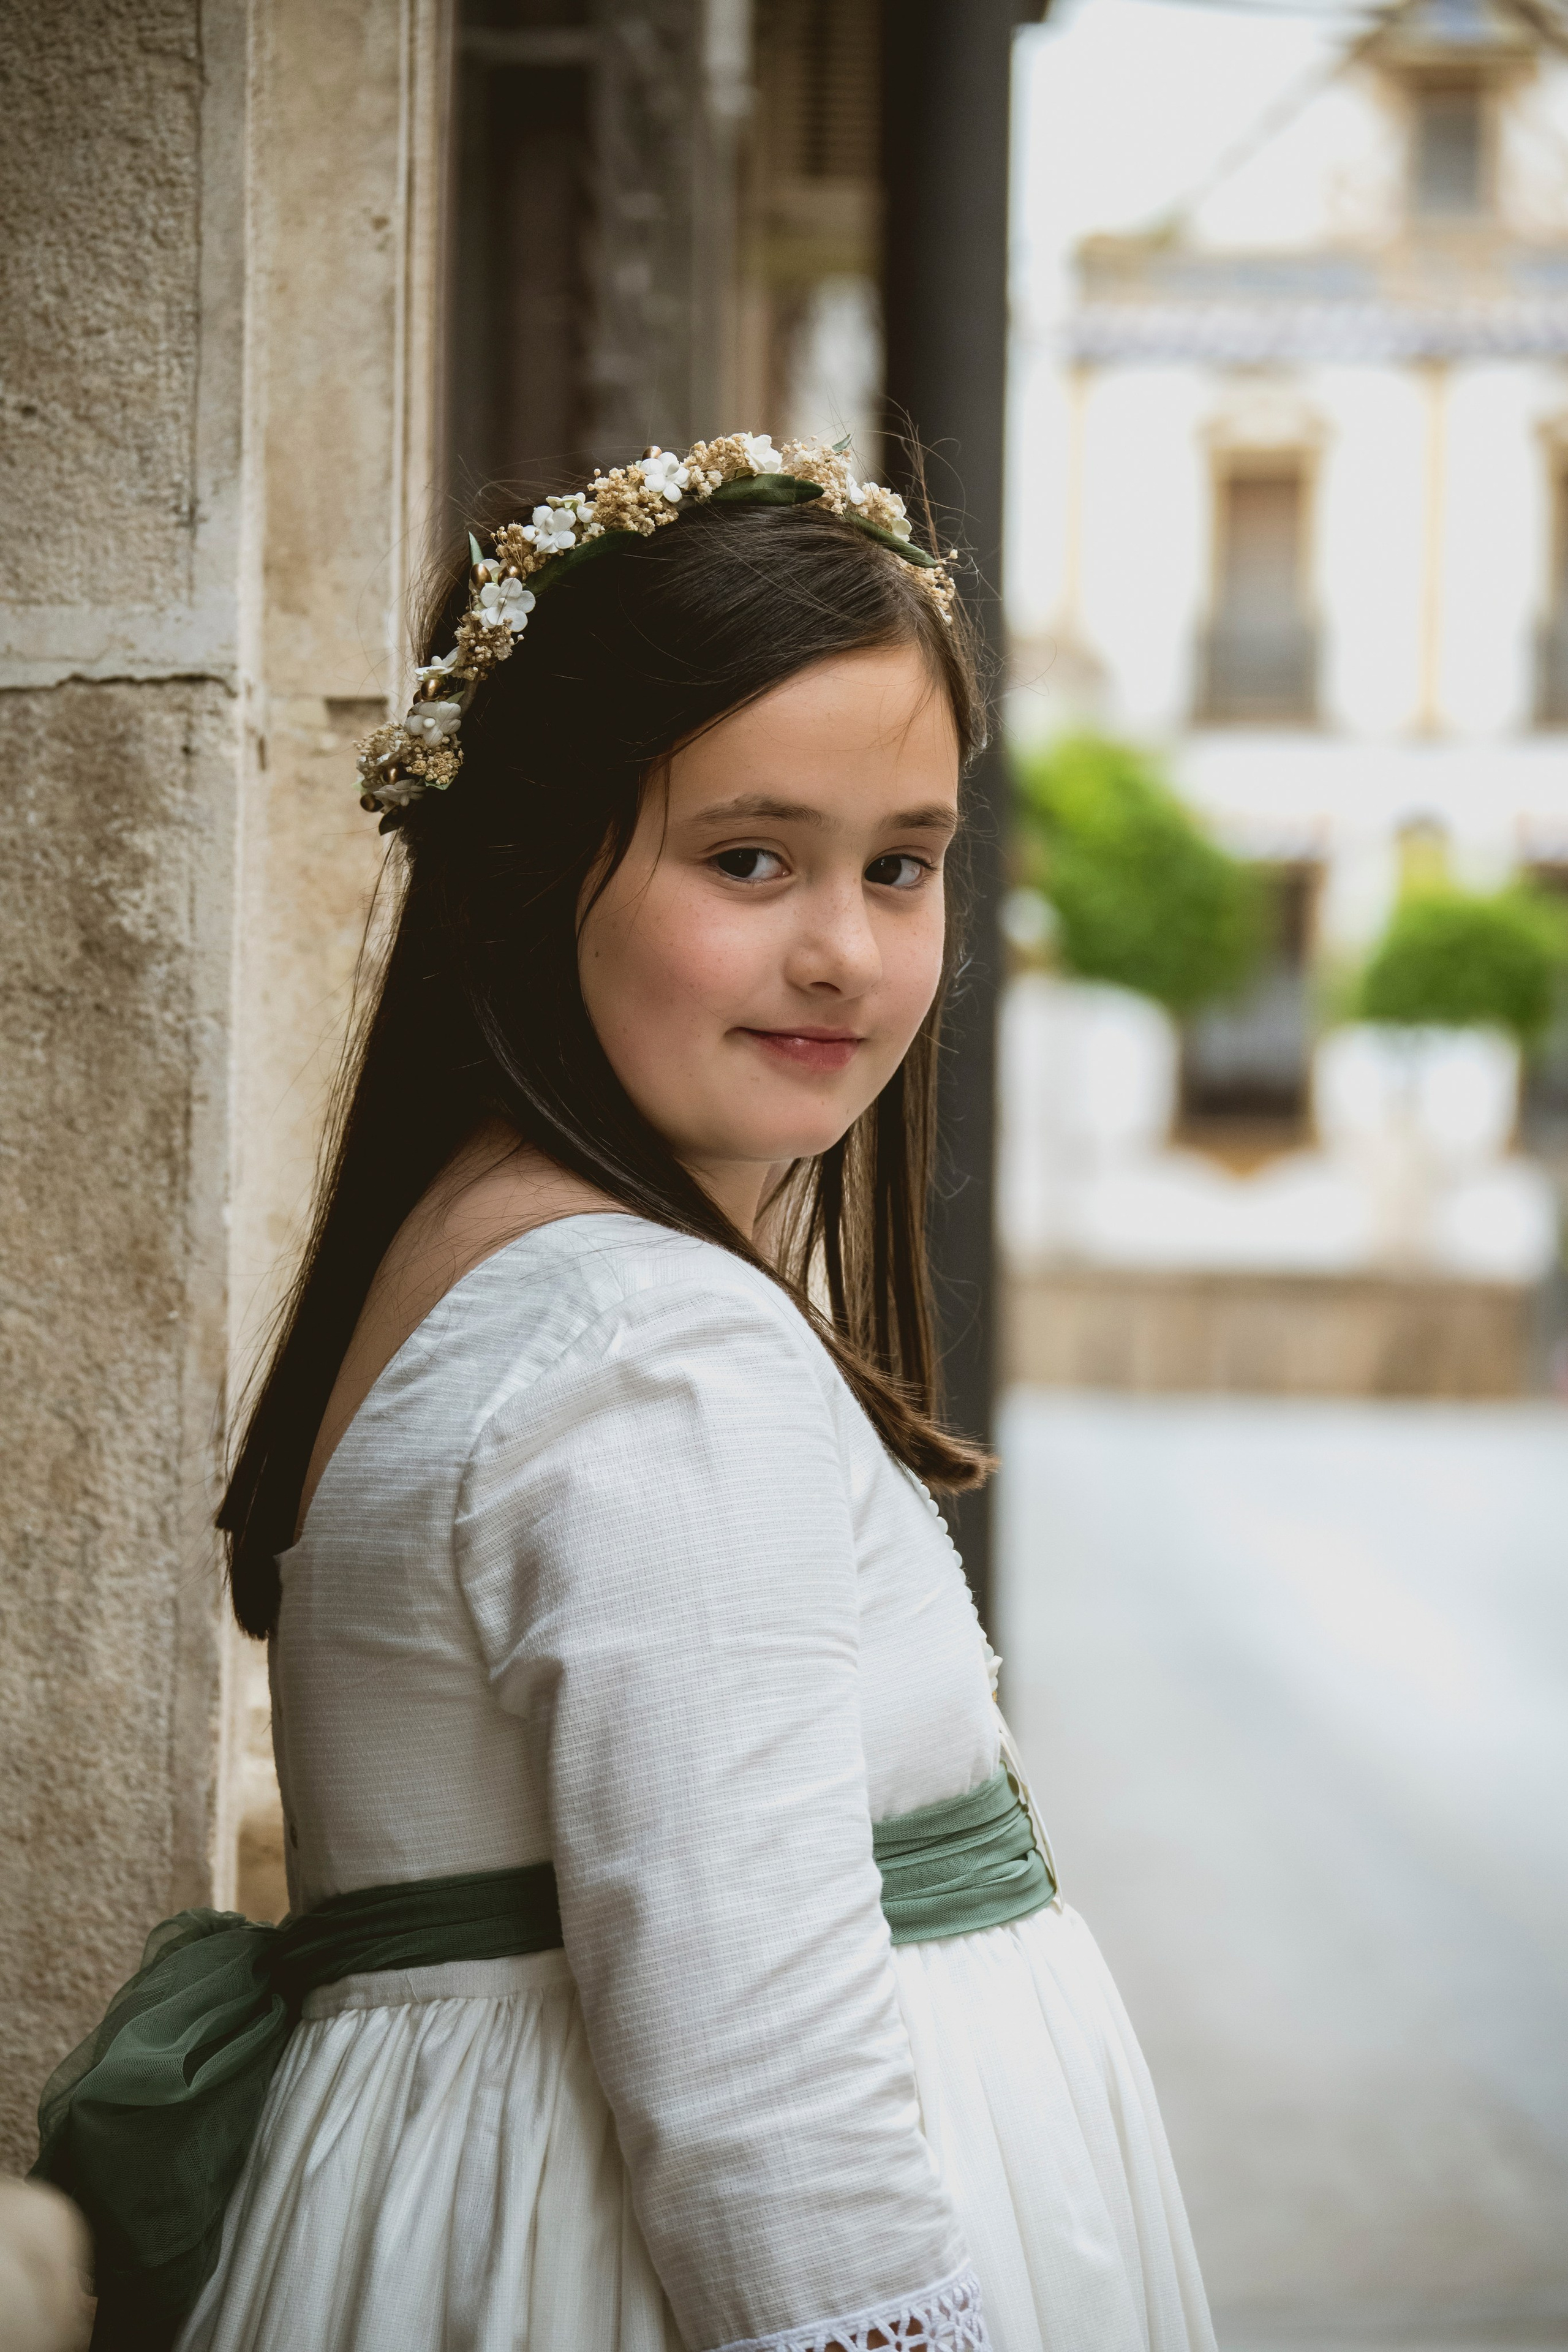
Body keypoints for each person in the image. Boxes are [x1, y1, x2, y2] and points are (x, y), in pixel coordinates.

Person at [34, 434, 1216, 2352]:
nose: (844, 950)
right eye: (749, 859)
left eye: (901, 866)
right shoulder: (654, 1357)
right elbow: (757, 2082)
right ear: (530, 866)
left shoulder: (498, 1258)